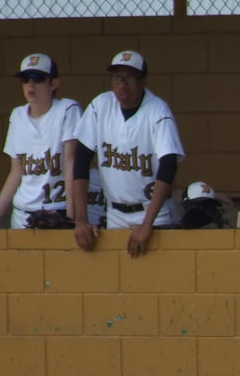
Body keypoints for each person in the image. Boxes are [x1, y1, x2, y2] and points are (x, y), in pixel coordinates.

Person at [71, 50, 185, 258]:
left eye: (129, 79)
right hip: (114, 214)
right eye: (117, 79)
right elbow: (81, 161)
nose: (122, 86)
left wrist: (146, 224)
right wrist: (81, 220)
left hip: (153, 214)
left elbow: (168, 167)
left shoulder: (158, 111)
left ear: (142, 81)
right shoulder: (100, 105)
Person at [0, 53, 81, 230]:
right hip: (23, 214)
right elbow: (16, 172)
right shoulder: (17, 115)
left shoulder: (67, 109)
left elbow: (71, 164)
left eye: (38, 78)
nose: (30, 84)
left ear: (54, 83)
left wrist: (73, 218)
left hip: (57, 212)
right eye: (25, 79)